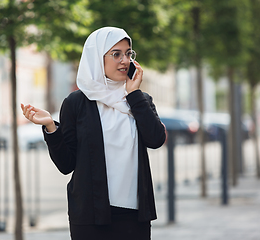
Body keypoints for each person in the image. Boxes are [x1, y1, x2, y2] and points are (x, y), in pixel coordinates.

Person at [21, 26, 166, 240]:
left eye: (128, 53)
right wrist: (51, 127)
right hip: (91, 216)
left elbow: (156, 139)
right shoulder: (76, 103)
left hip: (135, 216)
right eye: (116, 54)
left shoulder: (140, 100)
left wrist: (134, 95)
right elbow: (66, 164)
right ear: (97, 57)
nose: (124, 60)